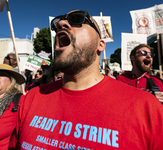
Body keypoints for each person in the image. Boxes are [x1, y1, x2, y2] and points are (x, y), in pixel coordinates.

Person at [9, 10, 163, 149]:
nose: (61, 24)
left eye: (76, 19)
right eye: (58, 24)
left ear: (100, 45)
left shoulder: (148, 109)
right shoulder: (31, 98)